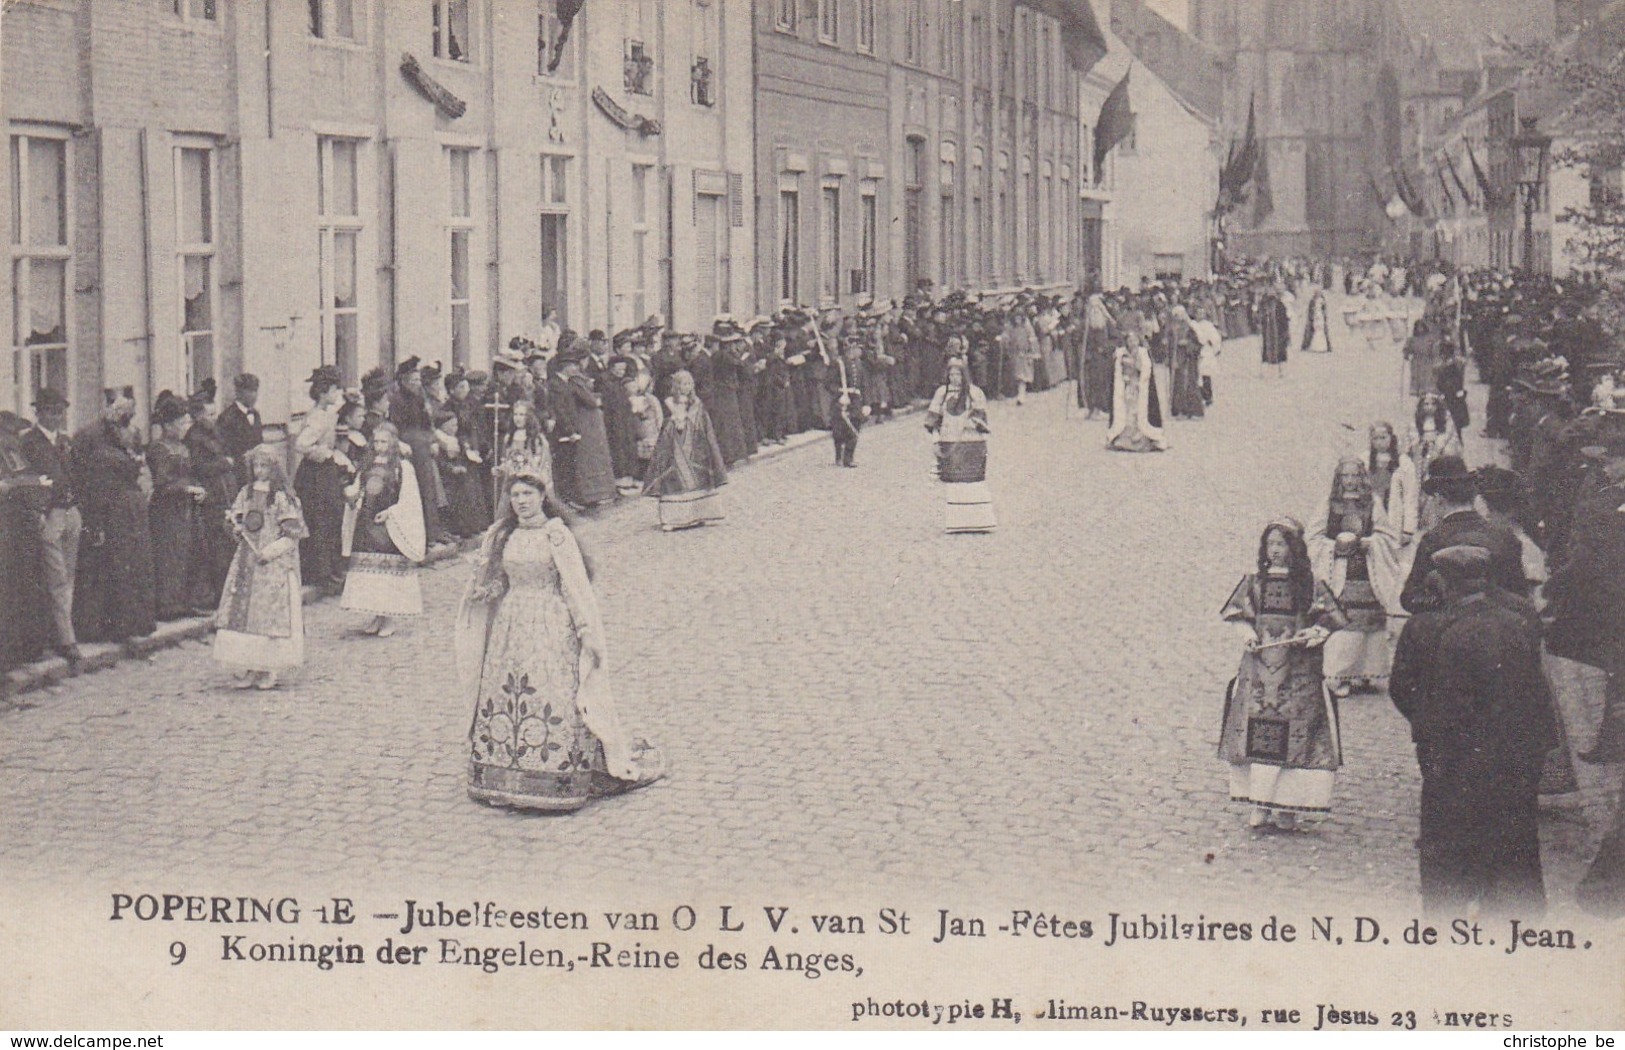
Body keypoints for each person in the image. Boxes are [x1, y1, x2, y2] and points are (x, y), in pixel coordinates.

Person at [456, 465, 666, 811]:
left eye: (528, 494)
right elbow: (500, 581)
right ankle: (501, 770)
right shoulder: (502, 535)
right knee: (507, 691)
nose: (521, 501)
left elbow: (574, 586)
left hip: (550, 622)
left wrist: (587, 633)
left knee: (550, 690)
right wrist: (485, 590)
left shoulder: (556, 534)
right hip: (511, 623)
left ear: (542, 497)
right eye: (515, 495)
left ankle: (555, 774)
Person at [1389, 545, 1555, 917]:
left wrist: (1427, 729)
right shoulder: (1521, 617)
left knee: (1447, 839)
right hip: (1518, 755)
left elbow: (1407, 692)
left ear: (1445, 583)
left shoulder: (1434, 628)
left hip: (1456, 757)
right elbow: (1537, 691)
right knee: (1514, 836)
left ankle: (1446, 916)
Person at [1218, 518, 1347, 830]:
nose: (1275, 551)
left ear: (1295, 548)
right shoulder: (1254, 582)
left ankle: (1288, 807)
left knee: (1295, 737)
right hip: (1260, 672)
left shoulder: (1311, 585)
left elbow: (1331, 618)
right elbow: (1238, 615)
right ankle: (1260, 805)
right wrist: (1248, 635)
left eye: (1282, 544)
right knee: (1259, 736)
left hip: (1298, 672)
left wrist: (1315, 633)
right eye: (1271, 544)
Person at [1308, 458, 1406, 697]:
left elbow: (1388, 538)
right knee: (1343, 620)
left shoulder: (1372, 504)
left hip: (1366, 571)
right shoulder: (1329, 505)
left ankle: (1367, 673)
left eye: (1354, 476)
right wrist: (1333, 547)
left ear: (1362, 478)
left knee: (1370, 624)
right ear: (1339, 479)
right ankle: (1339, 674)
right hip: (1339, 572)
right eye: (1345, 477)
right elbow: (1313, 537)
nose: (1350, 482)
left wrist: (1369, 544)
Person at [213, 445, 309, 690]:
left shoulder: (281, 497)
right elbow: (238, 519)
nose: (260, 471)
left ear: (274, 468)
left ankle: (269, 668)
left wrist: (271, 551)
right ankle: (250, 665)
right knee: (244, 616)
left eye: (265, 466)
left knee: (268, 617)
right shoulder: (246, 493)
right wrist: (235, 527)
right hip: (246, 563)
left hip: (271, 565)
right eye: (256, 466)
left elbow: (292, 534)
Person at [71, 394, 156, 644]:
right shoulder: (89, 437)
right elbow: (83, 477)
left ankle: (131, 623)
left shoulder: (131, 434)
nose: (124, 423)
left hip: (130, 511)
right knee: (106, 567)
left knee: (132, 566)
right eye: (119, 415)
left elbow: (140, 468)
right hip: (104, 509)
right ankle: (101, 627)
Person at [1400, 455, 1526, 613]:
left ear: (1438, 498)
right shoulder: (1504, 537)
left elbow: (1411, 599)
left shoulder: (1432, 540)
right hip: (1498, 629)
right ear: (1472, 495)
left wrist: (1442, 601)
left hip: (1449, 631)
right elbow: (1519, 596)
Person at [341, 421, 426, 638]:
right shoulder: (367, 465)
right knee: (371, 573)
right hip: (367, 521)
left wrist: (391, 512)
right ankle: (377, 615)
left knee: (387, 572)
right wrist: (353, 496)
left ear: (392, 443)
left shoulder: (401, 467)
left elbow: (409, 497)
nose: (380, 446)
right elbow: (359, 487)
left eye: (384, 442)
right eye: (376, 441)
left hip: (387, 525)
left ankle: (389, 617)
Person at [20, 388, 82, 665]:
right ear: (39, 413)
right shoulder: (29, 443)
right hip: (50, 515)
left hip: (70, 512)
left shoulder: (65, 442)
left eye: (60, 412)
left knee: (68, 577)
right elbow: (28, 480)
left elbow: (75, 475)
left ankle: (59, 634)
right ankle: (66, 640)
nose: (56, 417)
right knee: (56, 579)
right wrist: (39, 512)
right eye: (50, 411)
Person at [146, 391, 207, 621]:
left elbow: (190, 474)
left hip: (186, 510)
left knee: (188, 553)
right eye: (181, 423)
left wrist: (197, 488)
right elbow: (162, 483)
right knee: (169, 556)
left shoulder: (183, 447)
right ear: (168, 424)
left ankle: (186, 602)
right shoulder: (158, 448)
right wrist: (187, 489)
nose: (185, 427)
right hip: (166, 511)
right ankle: (167, 605)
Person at [641, 369, 728, 531]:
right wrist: (674, 422)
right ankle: (673, 519)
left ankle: (699, 514)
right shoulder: (668, 403)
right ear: (676, 385)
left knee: (698, 477)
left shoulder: (697, 404)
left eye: (689, 383)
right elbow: (664, 425)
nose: (686, 387)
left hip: (695, 446)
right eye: (682, 384)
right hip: (675, 447)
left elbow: (704, 425)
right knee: (675, 479)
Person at [293, 366, 353, 595]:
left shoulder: (325, 413)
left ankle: (329, 571)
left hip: (324, 474)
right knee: (321, 519)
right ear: (324, 391)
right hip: (315, 476)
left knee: (329, 518)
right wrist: (324, 453)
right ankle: (321, 573)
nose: (337, 393)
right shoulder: (317, 417)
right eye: (335, 389)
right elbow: (301, 444)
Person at [0, 411, 51, 672]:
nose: (13, 439)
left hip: (23, 526)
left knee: (26, 585)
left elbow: (29, 481)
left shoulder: (16, 455)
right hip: (6, 528)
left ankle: (26, 648)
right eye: (9, 434)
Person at [184, 380, 238, 614]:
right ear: (197, 415)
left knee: (227, 543)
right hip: (212, 496)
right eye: (209, 414)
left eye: (215, 413)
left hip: (225, 493)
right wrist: (223, 463)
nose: (213, 418)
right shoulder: (194, 438)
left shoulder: (213, 432)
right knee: (215, 547)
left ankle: (227, 593)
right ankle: (216, 596)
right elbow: (198, 467)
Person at [925, 356, 994, 534]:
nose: (954, 378)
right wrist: (935, 441)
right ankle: (957, 522)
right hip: (950, 443)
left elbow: (982, 418)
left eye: (958, 374)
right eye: (951, 374)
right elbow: (933, 419)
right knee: (955, 484)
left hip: (972, 444)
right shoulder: (942, 393)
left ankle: (979, 521)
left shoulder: (975, 392)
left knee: (973, 482)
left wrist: (971, 421)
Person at [1106, 331, 1168, 453]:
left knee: (1138, 412)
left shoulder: (1142, 353)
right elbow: (1117, 370)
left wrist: (1138, 373)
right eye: (1130, 340)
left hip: (1139, 386)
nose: (1132, 343)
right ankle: (1124, 438)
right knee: (1126, 413)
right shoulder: (1121, 354)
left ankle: (1142, 438)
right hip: (1126, 386)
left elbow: (1146, 369)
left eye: (1134, 340)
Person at [1367, 421, 1420, 546]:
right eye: (1375, 438)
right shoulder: (1365, 460)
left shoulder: (1404, 462)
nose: (1379, 442)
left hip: (1394, 515)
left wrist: (1408, 528)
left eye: (1383, 438)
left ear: (1391, 438)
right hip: (1372, 516)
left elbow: (1410, 497)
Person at [828, 335, 870, 468]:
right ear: (851, 349)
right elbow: (829, 383)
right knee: (840, 429)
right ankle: (838, 456)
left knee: (855, 426)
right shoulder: (838, 363)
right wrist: (839, 394)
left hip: (856, 400)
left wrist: (867, 403)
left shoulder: (859, 364)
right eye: (858, 348)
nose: (860, 351)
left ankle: (849, 457)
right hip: (841, 400)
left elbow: (864, 385)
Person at [217, 374, 264, 490]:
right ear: (239, 392)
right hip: (237, 474)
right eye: (250, 391)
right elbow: (224, 448)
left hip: (257, 472)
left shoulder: (256, 415)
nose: (254, 395)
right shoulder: (227, 417)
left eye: (255, 391)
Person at [1167, 305, 1206, 420]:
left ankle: (1195, 411)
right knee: (1178, 384)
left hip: (1189, 359)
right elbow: (1170, 343)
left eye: (1180, 315)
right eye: (1176, 316)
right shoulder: (1173, 328)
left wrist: (1188, 344)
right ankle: (1180, 410)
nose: (1179, 317)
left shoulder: (1192, 326)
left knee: (1191, 383)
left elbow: (1200, 342)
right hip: (1178, 359)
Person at [1190, 302, 1224, 408]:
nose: (1200, 315)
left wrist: (1216, 348)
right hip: (1195, 351)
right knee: (1196, 374)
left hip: (1205, 351)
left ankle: (1208, 396)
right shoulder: (1192, 324)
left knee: (1205, 374)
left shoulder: (1208, 325)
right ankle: (1197, 396)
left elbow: (1215, 337)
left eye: (1202, 313)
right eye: (1198, 313)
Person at [1405, 319, 1441, 398]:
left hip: (1426, 359)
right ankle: (1416, 390)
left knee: (1426, 374)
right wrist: (1406, 353)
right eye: (1418, 327)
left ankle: (1425, 390)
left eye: (1421, 327)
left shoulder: (1430, 338)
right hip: (1416, 360)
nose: (1420, 329)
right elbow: (1407, 348)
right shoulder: (1412, 339)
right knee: (1416, 375)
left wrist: (1434, 357)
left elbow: (1434, 349)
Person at [1301, 287, 1333, 353]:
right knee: (1313, 329)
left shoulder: (1322, 301)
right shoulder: (1312, 301)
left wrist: (1324, 316)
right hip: (1314, 316)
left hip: (1320, 316)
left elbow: (1324, 310)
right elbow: (1310, 310)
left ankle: (1324, 346)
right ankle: (1309, 345)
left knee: (1321, 330)